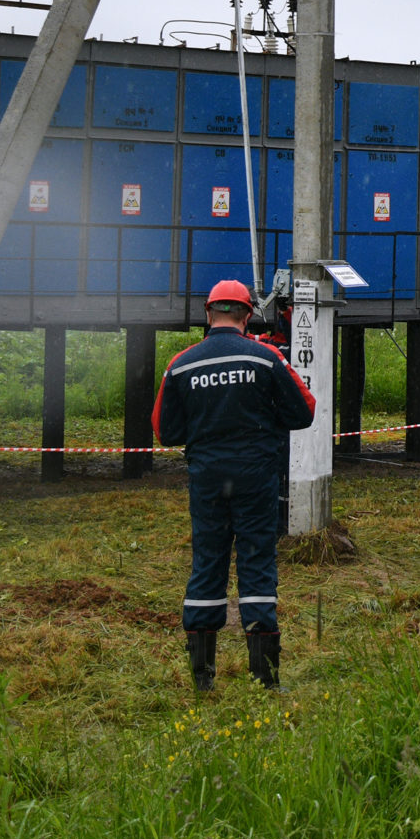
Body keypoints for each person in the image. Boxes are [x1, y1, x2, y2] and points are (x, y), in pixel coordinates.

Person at [153, 278, 316, 693]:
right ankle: (265, 679)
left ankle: (203, 679)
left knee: (207, 563)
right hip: (257, 477)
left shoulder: (182, 363)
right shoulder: (266, 358)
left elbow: (165, 431)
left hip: (207, 479)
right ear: (248, 315)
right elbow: (304, 411)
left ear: (208, 314)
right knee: (257, 562)